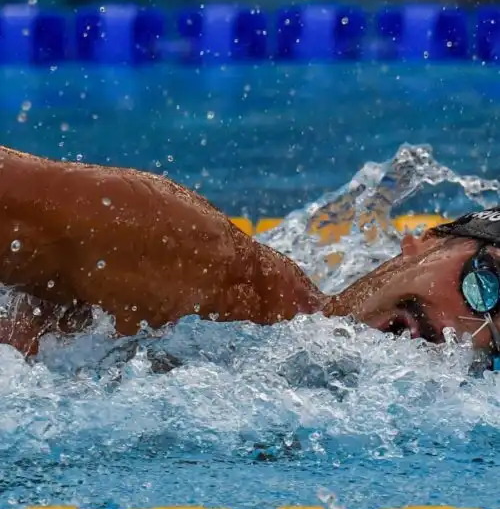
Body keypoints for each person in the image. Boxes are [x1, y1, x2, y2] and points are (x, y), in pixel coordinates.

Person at [0, 144, 500, 369]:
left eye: (497, 341)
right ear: (429, 240)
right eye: (485, 282)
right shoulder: (189, 257)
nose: (462, 328)